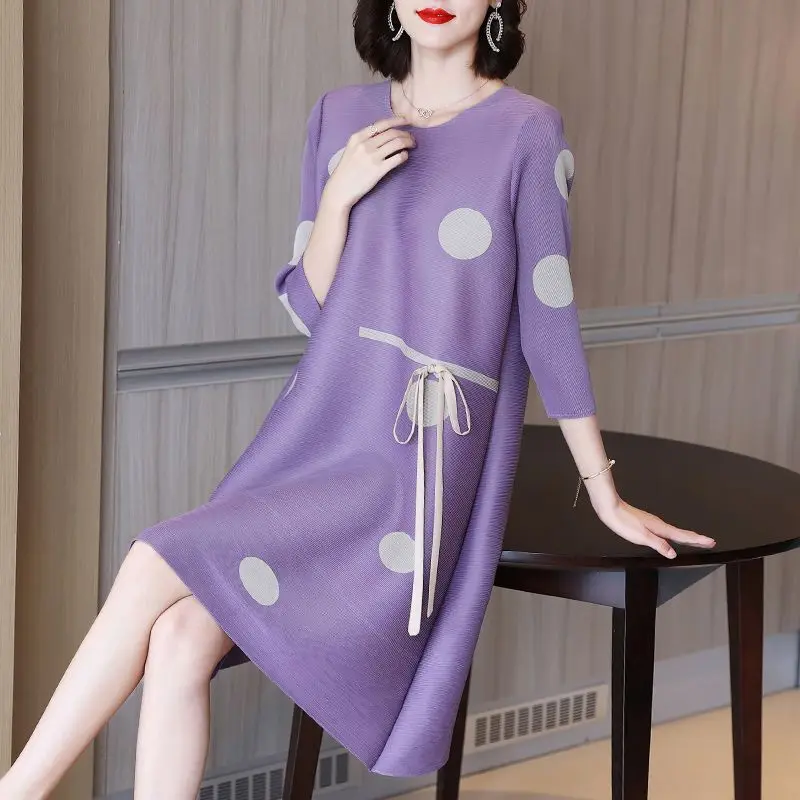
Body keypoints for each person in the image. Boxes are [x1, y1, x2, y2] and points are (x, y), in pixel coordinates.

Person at [0, 1, 717, 797]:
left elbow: (547, 321)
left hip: (413, 466)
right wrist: (339, 195)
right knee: (178, 636)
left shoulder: (527, 131)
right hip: (320, 433)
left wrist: (603, 491)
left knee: (153, 560)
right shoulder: (338, 115)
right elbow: (312, 309)